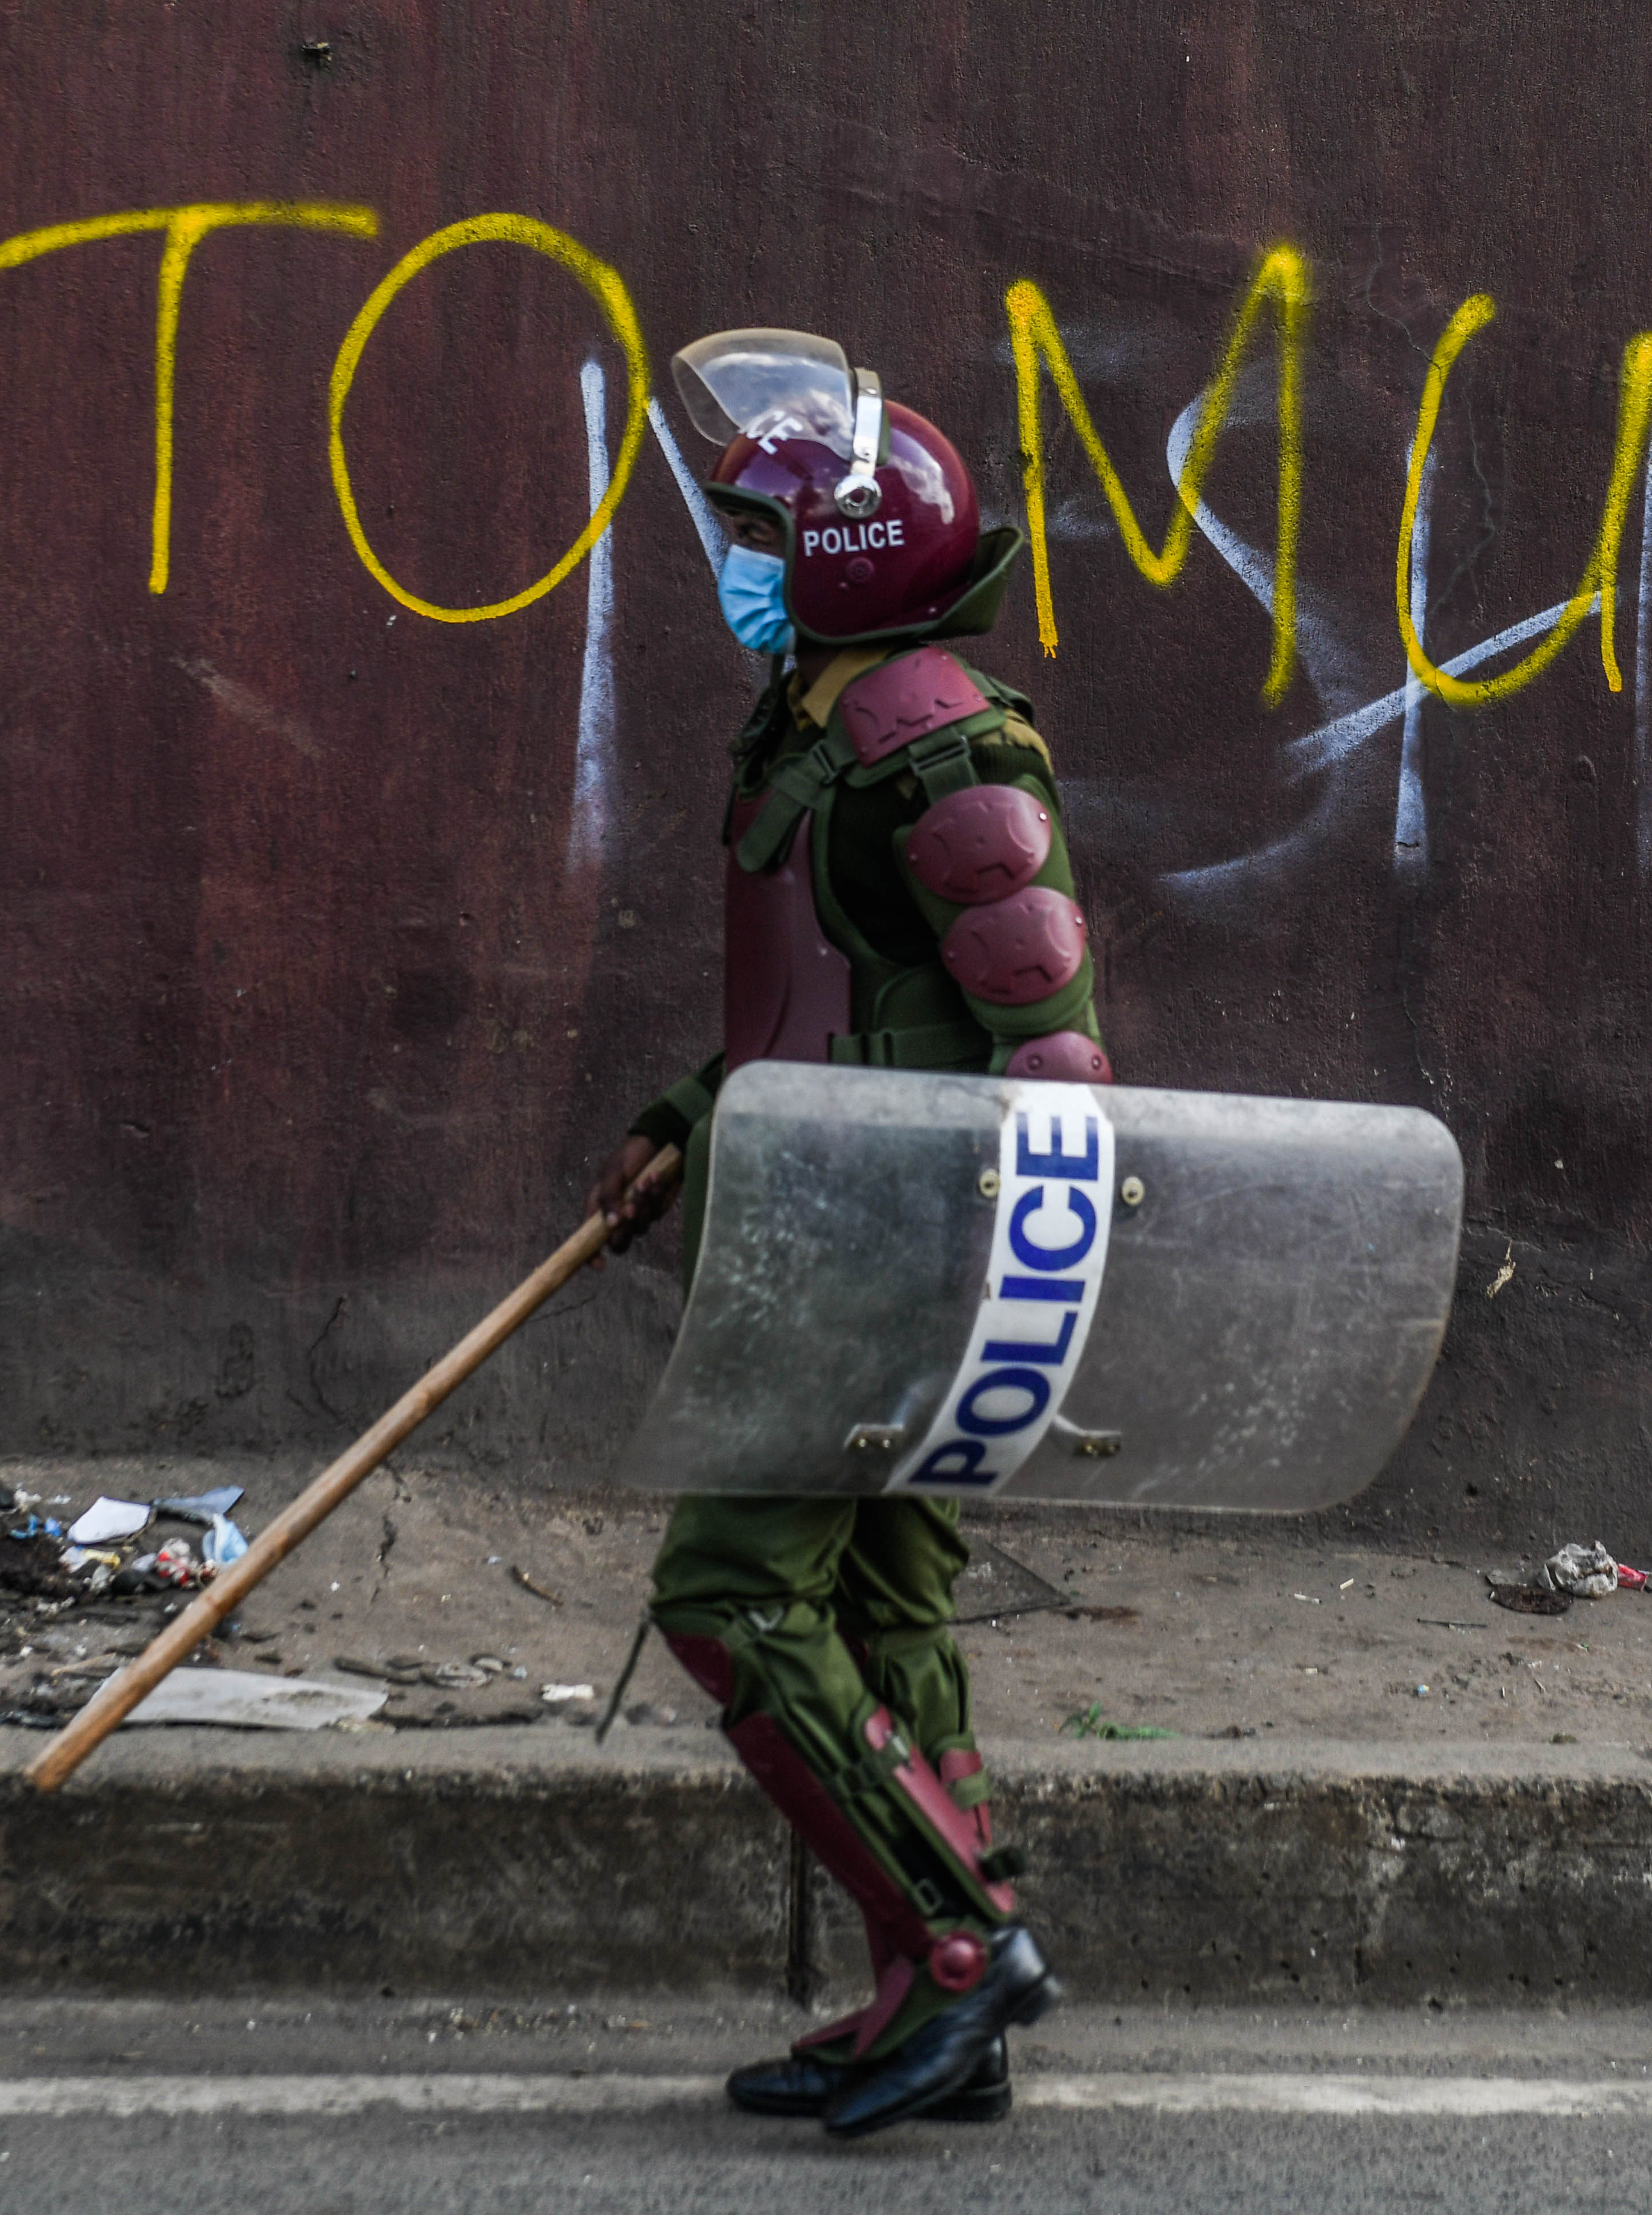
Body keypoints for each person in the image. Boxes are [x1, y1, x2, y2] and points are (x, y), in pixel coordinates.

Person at [587, 330, 1112, 2140]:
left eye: (757, 528)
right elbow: (830, 995)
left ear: (840, 555)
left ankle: (959, 1945)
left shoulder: (937, 745)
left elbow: (1045, 1047)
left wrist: (980, 1293)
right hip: (821, 1197)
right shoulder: (817, 720)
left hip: (879, 1237)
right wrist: (684, 1115)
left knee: (728, 1593)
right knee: (882, 1605)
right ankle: (929, 1988)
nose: (732, 553)